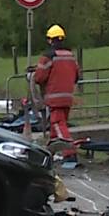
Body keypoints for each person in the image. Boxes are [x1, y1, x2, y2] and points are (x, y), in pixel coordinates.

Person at [33, 24, 80, 161]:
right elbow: (77, 75)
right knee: (58, 126)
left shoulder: (48, 56)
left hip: (54, 97)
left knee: (57, 123)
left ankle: (69, 153)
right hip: (68, 97)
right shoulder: (71, 56)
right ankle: (49, 153)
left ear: (49, 40)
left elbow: (39, 77)